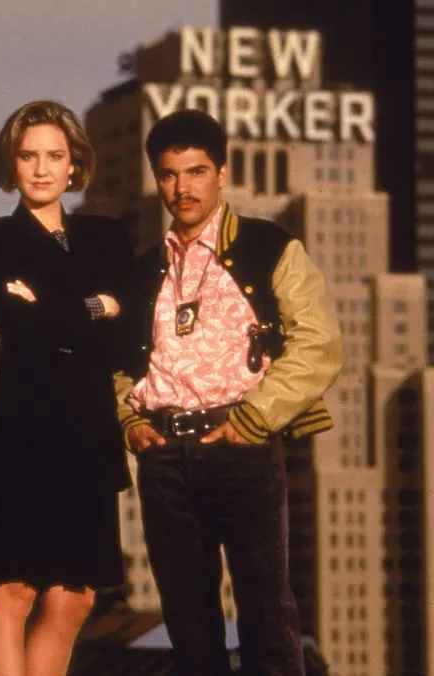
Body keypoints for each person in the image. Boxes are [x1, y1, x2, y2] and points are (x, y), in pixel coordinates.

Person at [115, 109, 343, 676]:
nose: (182, 188)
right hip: (164, 455)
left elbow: (319, 343)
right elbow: (117, 364)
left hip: (242, 445)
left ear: (221, 173)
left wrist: (254, 418)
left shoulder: (270, 248)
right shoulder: (144, 270)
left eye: (196, 172)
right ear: (157, 178)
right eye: (169, 174)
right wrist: (130, 421)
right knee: (188, 619)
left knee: (266, 611)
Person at [0, 100, 130, 676]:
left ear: (74, 165)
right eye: (28, 156)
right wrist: (96, 304)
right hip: (23, 428)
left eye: (54, 156)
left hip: (89, 432)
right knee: (13, 588)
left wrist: (52, 305)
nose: (41, 168)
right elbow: (23, 328)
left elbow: (123, 327)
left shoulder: (107, 236)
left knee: (72, 598)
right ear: (10, 164)